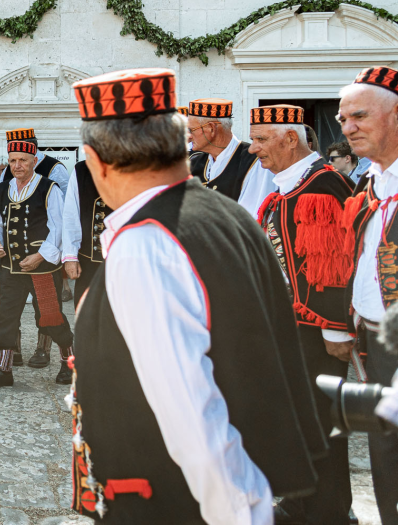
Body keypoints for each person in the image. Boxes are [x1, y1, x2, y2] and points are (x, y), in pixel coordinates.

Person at [67, 68, 324, 523]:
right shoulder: (227, 213)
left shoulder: (145, 245)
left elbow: (193, 416)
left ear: (96, 160)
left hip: (173, 502)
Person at [250, 104, 355, 524]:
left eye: (260, 139)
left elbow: (332, 267)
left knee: (323, 421)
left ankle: (329, 510)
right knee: (296, 417)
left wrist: (333, 328)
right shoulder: (288, 187)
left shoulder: (319, 187)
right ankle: (300, 499)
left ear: (289, 139)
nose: (254, 149)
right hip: (291, 325)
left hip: (317, 331)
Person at [337, 66, 398, 525]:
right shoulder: (369, 182)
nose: (347, 128)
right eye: (342, 119)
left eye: (359, 116)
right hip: (377, 341)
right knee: (384, 446)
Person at [0, 139, 72, 389]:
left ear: (34, 161)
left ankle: (69, 363)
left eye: (22, 160)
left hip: (41, 267)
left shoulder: (49, 188)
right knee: (5, 316)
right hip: (10, 266)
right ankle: (4, 370)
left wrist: (40, 256)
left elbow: (59, 228)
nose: (17, 165)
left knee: (49, 317)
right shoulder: (3, 188)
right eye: (12, 160)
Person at [61, 157, 113, 307]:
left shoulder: (140, 167)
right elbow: (71, 214)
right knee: (86, 314)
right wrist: (70, 256)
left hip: (123, 261)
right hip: (88, 261)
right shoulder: (82, 170)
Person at [185, 98, 257, 199]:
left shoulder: (253, 161)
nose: (188, 136)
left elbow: (252, 212)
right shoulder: (194, 162)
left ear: (211, 129)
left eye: (191, 130)